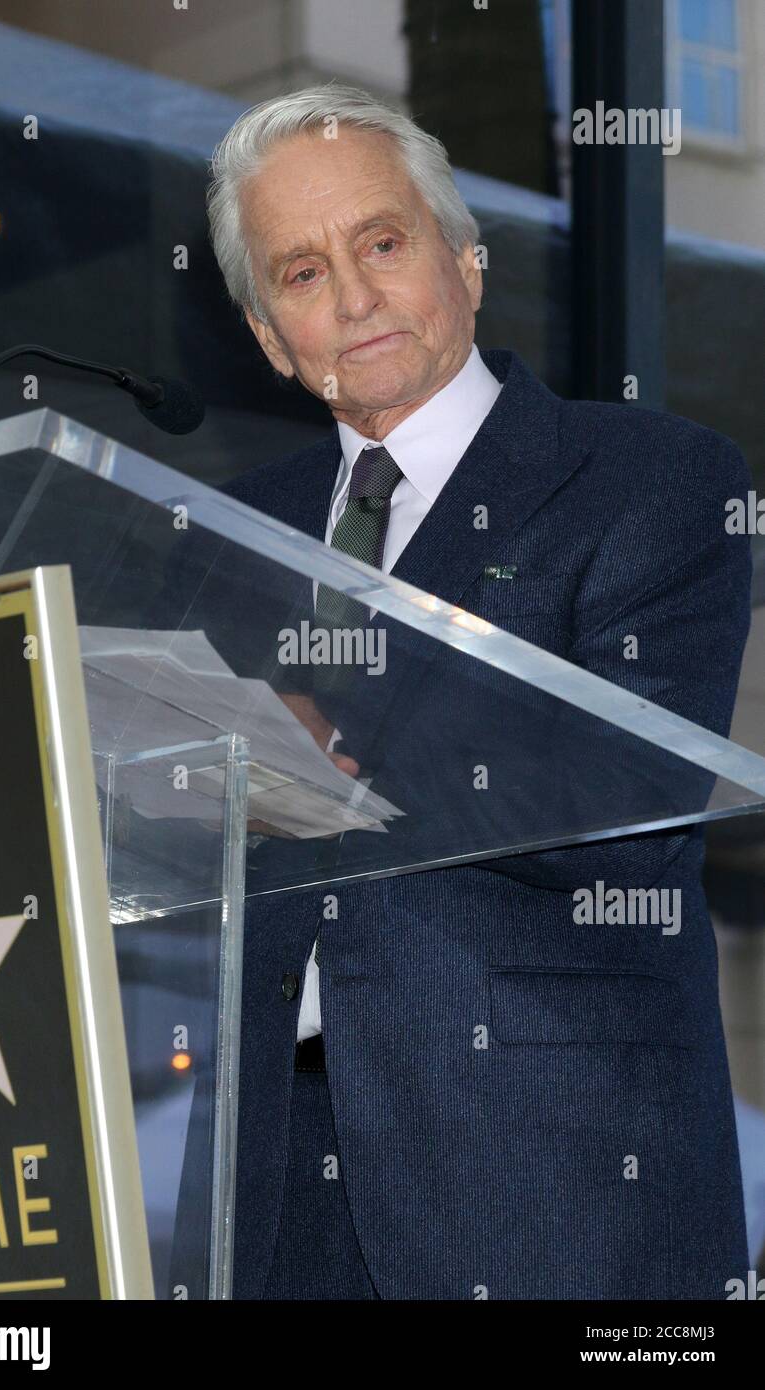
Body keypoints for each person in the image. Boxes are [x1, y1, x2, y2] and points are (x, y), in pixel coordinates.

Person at [171, 83, 752, 1300]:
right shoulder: (226, 541)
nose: (354, 296)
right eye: (301, 273)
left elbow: (624, 801)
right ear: (272, 339)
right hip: (274, 1209)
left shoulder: (647, 478)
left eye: (381, 243)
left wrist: (333, 710)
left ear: (465, 263)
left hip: (557, 1196)